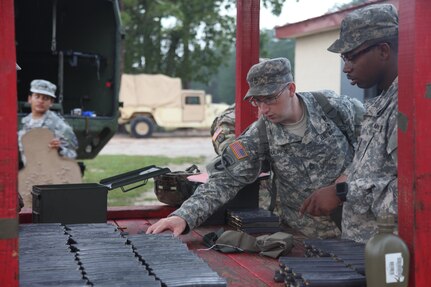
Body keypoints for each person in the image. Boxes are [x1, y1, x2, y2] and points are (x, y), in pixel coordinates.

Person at [147, 57, 364, 238]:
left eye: (270, 98)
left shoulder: (333, 108)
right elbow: (224, 180)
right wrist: (183, 216)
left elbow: (377, 149)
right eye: (257, 101)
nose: (264, 109)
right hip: (307, 235)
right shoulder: (259, 134)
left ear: (291, 89)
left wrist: (342, 185)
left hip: (361, 227)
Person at [300, 4, 398, 243]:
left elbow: (418, 192)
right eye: (344, 58)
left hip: (394, 260)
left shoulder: (411, 107)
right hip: (364, 252)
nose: (346, 67)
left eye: (352, 55)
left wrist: (343, 193)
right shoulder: (384, 101)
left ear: (383, 51)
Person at [18, 79, 78, 164]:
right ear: (30, 99)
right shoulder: (24, 122)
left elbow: (72, 155)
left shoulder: (59, 125)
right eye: (37, 96)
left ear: (51, 102)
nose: (40, 101)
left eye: (45, 98)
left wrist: (58, 150)